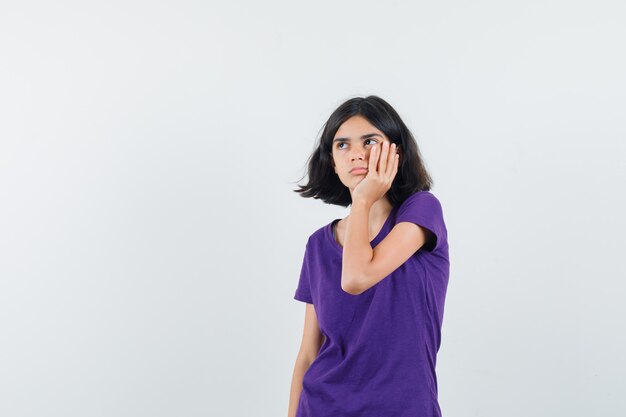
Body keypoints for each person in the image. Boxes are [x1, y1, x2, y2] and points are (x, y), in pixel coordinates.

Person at [288, 95, 450, 417]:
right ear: (332, 162)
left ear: (396, 151)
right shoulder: (319, 245)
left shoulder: (421, 213)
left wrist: (361, 201)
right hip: (322, 407)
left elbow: (357, 277)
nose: (356, 154)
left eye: (370, 141)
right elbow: (308, 352)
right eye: (342, 145)